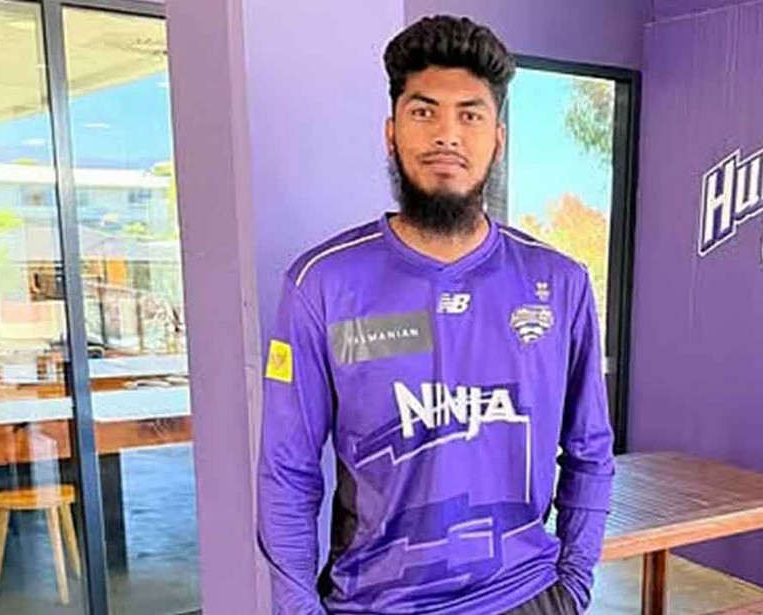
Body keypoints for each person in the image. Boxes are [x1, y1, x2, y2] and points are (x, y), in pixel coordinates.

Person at [256, 15, 614, 614]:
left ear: (498, 138)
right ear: (391, 132)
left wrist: (573, 584)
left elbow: (590, 451)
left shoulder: (560, 283)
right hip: (376, 602)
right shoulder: (322, 284)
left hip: (525, 596)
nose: (447, 135)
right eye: (424, 112)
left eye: (470, 115)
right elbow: (287, 472)